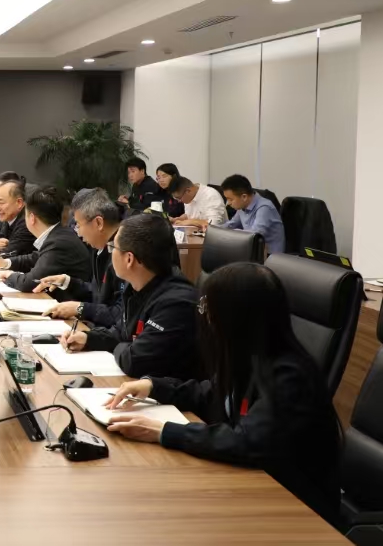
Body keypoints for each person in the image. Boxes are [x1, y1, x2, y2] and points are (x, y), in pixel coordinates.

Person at [105, 263, 340, 522]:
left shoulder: (290, 376)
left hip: (296, 509)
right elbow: (212, 393)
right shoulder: (251, 355)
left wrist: (164, 431)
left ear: (237, 317)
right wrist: (154, 386)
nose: (206, 317)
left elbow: (248, 442)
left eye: (209, 309)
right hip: (254, 487)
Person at [61, 214, 198, 379]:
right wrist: (88, 338)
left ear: (129, 259)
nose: (111, 252)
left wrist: (122, 346)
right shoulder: (137, 286)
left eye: (113, 247)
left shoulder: (176, 303)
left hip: (167, 392)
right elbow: (121, 332)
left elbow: (134, 361)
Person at [36, 189, 125, 327]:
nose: (78, 232)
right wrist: (68, 282)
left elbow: (122, 314)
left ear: (98, 223)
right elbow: (98, 295)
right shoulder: (100, 248)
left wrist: (81, 308)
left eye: (78, 224)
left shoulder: (124, 253)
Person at [0, 185, 90, 294]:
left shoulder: (58, 242)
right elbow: (36, 257)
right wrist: (6, 262)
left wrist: (10, 275)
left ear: (32, 218)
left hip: (70, 302)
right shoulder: (58, 234)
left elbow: (30, 283)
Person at [220, 174, 286, 255]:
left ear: (244, 197)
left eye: (230, 199)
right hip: (253, 251)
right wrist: (211, 229)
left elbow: (255, 235)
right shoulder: (242, 206)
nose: (228, 203)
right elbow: (231, 224)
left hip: (270, 256)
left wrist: (231, 233)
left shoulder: (264, 207)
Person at [0, 179, 35, 257]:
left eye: (1, 202)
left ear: (19, 203)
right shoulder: (9, 217)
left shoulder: (26, 222)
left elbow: (7, 254)